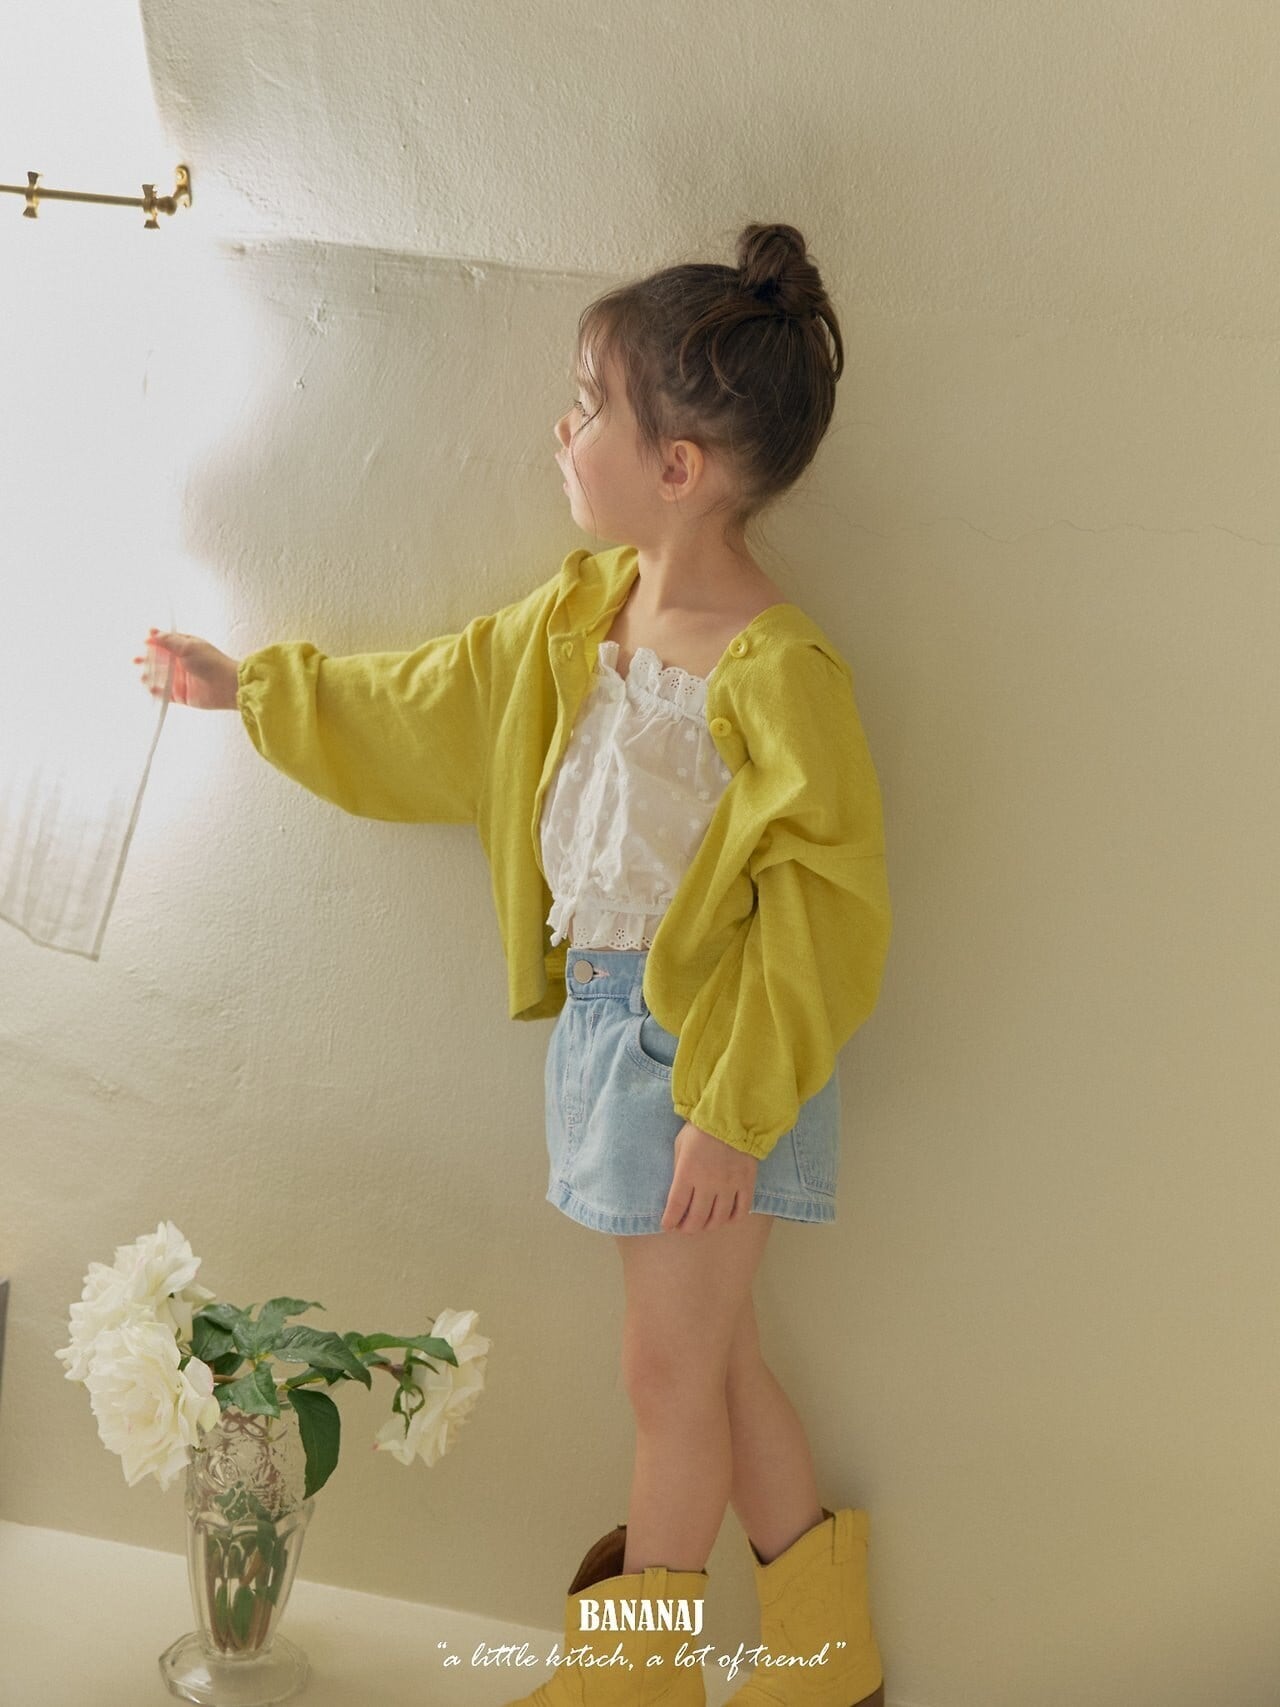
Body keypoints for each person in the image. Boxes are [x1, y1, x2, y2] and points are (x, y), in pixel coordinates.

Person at [135, 222, 891, 1707]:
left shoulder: (775, 668)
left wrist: (732, 1113)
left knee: (666, 1376)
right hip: (610, 1039)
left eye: (590, 404)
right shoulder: (576, 621)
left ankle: (636, 1679)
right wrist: (253, 693)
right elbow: (431, 699)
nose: (563, 428)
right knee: (715, 1359)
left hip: (714, 1062)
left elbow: (824, 909)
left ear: (677, 466)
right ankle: (826, 1652)